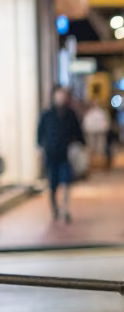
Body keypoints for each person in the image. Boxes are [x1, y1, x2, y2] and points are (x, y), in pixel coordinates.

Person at [37, 86, 83, 223]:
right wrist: (40, 150)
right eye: (59, 95)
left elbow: (78, 132)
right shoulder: (46, 115)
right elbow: (40, 134)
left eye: (63, 95)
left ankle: (65, 209)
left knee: (66, 182)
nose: (61, 97)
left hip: (66, 154)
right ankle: (54, 208)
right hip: (51, 154)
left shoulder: (70, 114)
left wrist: (81, 147)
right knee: (53, 184)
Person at [82, 100, 109, 169]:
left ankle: (99, 164)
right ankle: (93, 164)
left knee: (100, 149)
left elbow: (105, 123)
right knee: (92, 149)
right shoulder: (89, 113)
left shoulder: (101, 113)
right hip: (91, 133)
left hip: (99, 133)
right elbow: (86, 123)